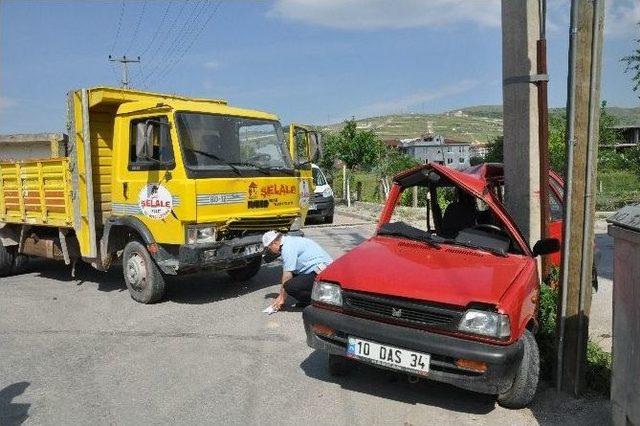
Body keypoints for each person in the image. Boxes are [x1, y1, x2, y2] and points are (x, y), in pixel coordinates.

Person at [262, 230, 332, 311]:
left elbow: (287, 276)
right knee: (293, 278)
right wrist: (280, 296)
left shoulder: (287, 248)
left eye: (269, 248)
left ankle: (320, 301)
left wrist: (281, 298)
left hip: (324, 272)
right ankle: (308, 300)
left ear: (274, 243)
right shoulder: (289, 241)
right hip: (320, 269)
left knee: (289, 286)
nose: (269, 251)